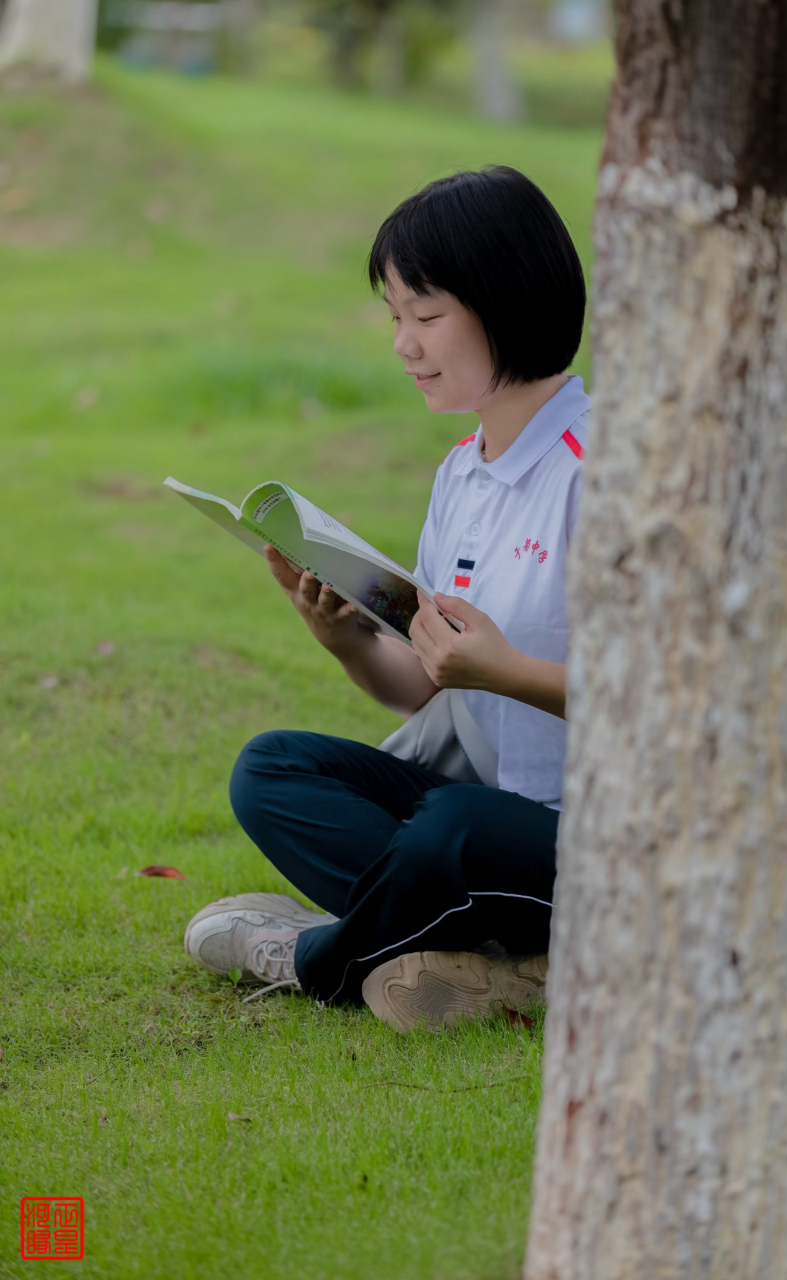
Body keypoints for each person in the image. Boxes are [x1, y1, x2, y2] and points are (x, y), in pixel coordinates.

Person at [183, 166, 590, 1033]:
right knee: (272, 770)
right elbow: (424, 686)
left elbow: (685, 710)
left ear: (507, 301)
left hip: (602, 835)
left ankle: (313, 957)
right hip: (486, 813)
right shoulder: (462, 473)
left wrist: (509, 672)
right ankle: (498, 957)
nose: (403, 344)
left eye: (427, 316)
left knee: (454, 828)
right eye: (395, 317)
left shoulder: (608, 473)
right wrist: (344, 638)